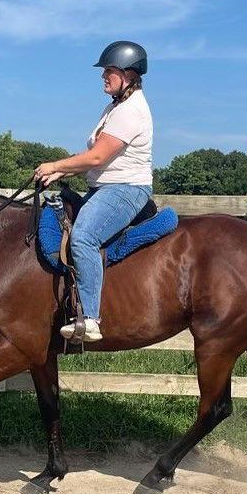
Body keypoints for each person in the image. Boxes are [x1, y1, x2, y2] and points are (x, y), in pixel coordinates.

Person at [33, 41, 153, 342]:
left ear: (128, 74)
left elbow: (98, 158)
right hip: (103, 187)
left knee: (84, 236)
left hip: (125, 190)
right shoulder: (115, 108)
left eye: (109, 71)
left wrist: (55, 164)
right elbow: (93, 153)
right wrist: (61, 171)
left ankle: (90, 318)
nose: (104, 77)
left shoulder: (132, 111)